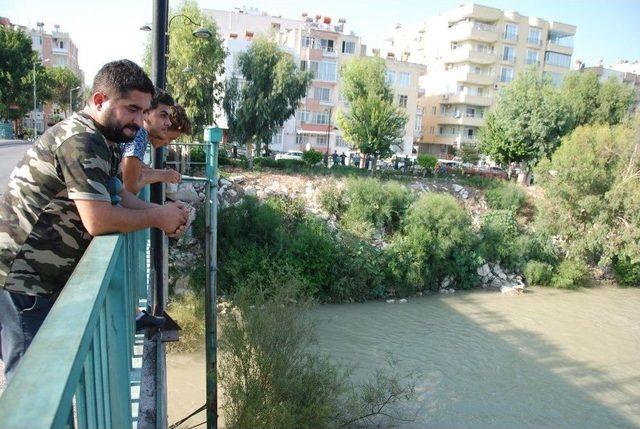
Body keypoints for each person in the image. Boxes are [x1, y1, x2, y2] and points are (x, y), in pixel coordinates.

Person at [0, 59, 189, 382]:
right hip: (23, 282)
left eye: (144, 112)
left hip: (41, 279)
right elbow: (98, 219)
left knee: (49, 382)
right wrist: (158, 216)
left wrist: (164, 216)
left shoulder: (105, 140)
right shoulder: (81, 140)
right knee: (35, 389)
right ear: (100, 100)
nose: (138, 121)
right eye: (131, 109)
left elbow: (118, 195)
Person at [121, 88, 181, 195]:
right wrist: (162, 176)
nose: (169, 123)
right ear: (145, 113)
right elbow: (129, 187)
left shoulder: (139, 134)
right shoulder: (139, 134)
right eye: (163, 115)